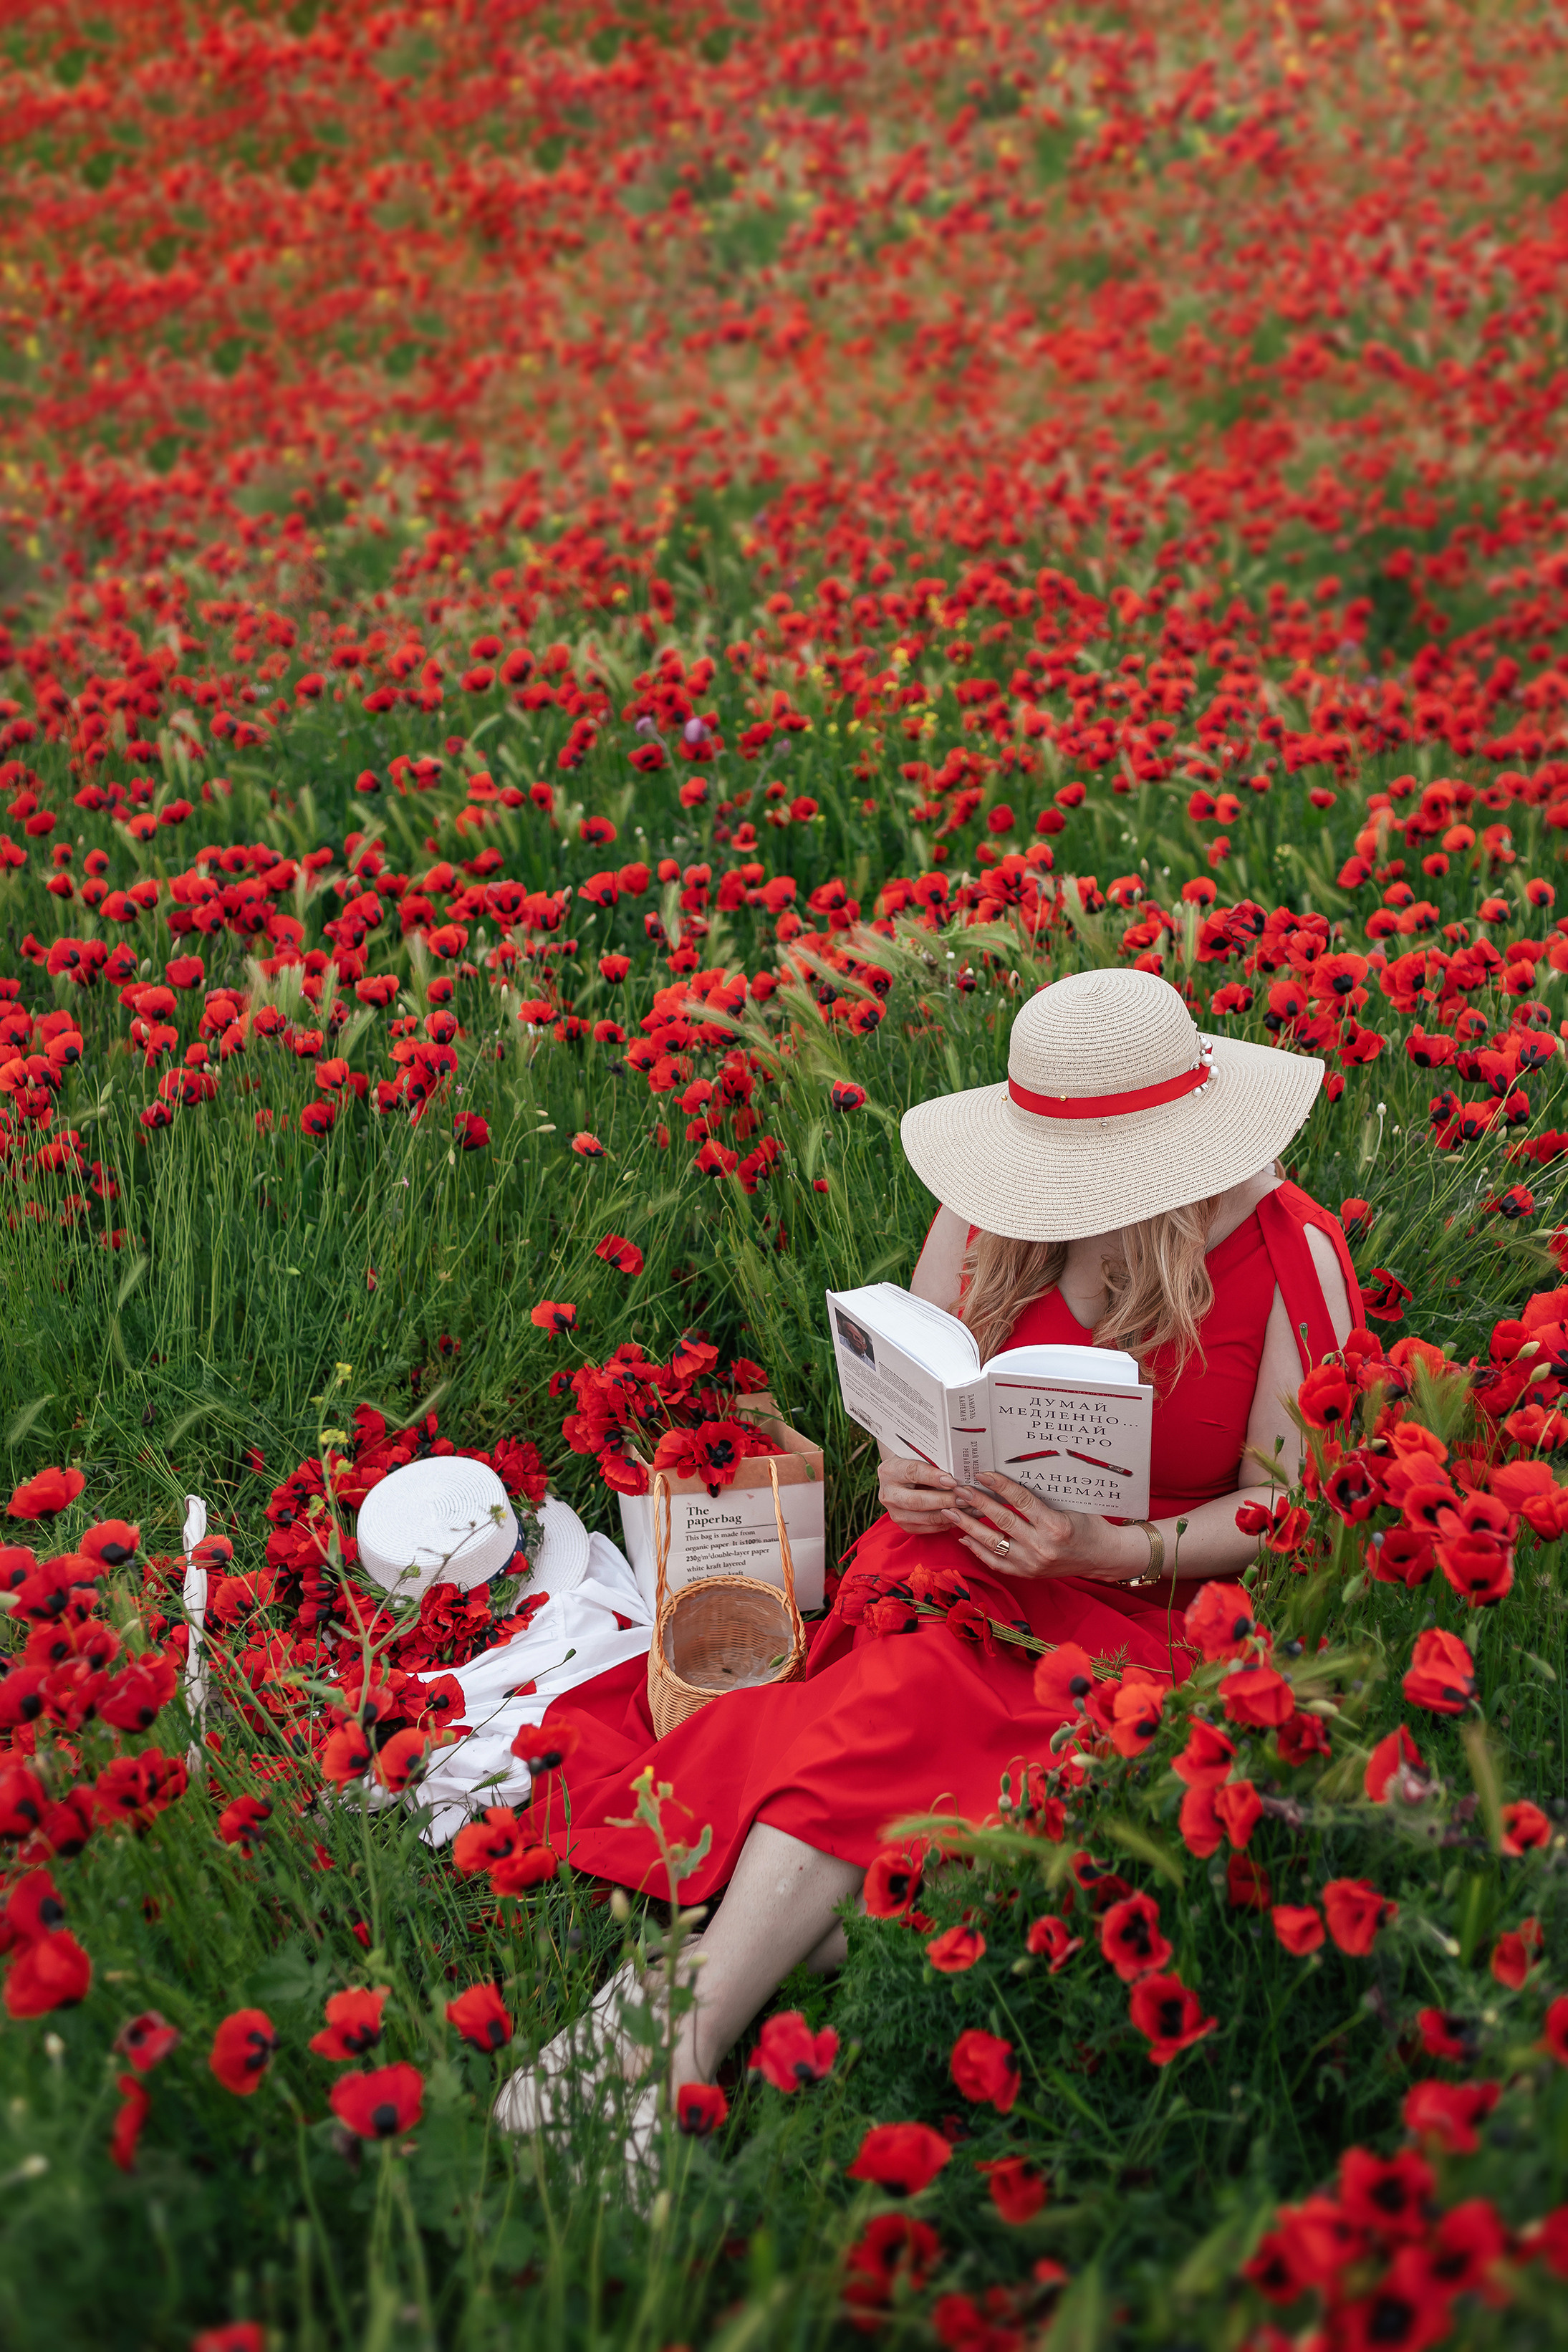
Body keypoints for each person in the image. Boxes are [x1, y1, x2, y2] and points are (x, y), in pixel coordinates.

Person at [500, 966, 1359, 2122]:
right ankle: (687, 2039)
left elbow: (1288, 1513)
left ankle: (660, 2033)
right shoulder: (989, 1206)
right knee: (912, 1687)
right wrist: (906, 1478)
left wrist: (1110, 1552)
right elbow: (926, 1407)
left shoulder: (1286, 1251)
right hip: (964, 1558)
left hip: (1153, 1603)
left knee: (873, 1825)